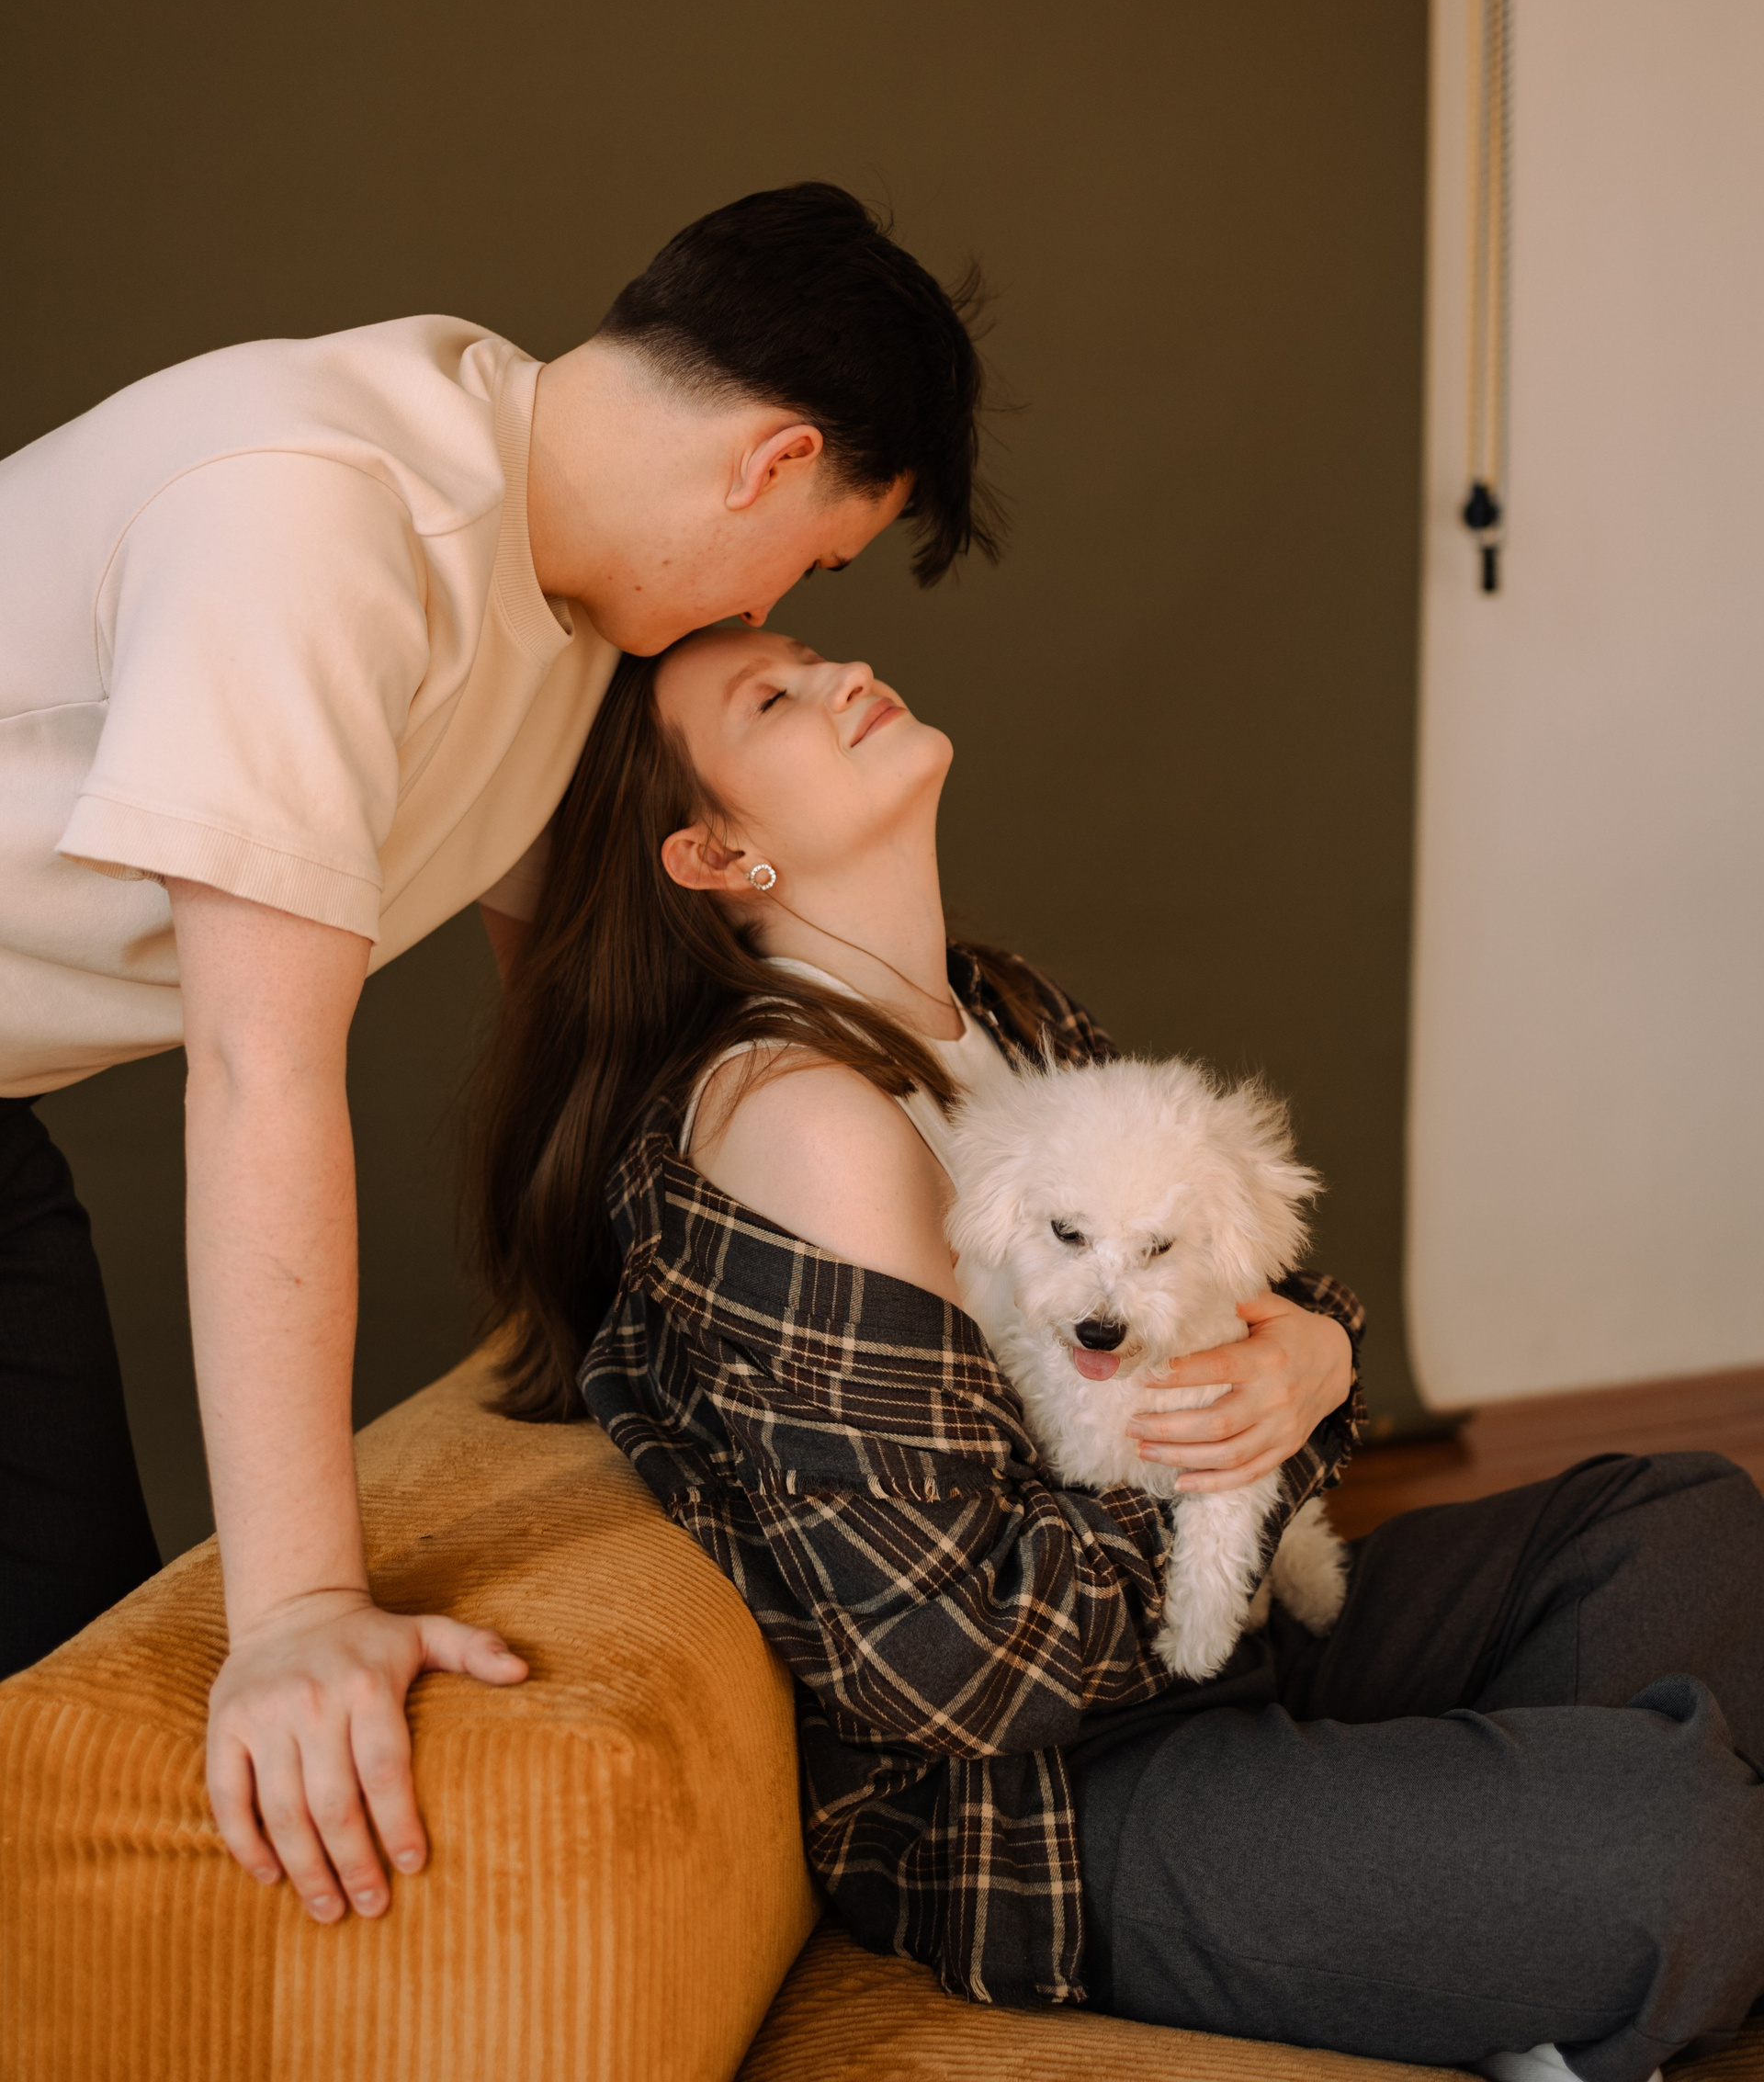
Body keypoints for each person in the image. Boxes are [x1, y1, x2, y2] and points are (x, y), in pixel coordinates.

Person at [474, 628, 1764, 2082]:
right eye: (773, 698)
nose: (843, 675)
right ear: (713, 853)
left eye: (817, 653)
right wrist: (1236, 1469)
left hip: (1225, 1653)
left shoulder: (1004, 1010)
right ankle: (1561, 1914)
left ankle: (1509, 1946)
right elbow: (945, 1665)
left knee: (1686, 1522)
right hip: (1049, 1798)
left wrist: (1317, 1358)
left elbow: (1211, 1278)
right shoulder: (798, 1119)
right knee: (1684, 1844)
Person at [0, 182, 998, 1925]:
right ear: (771, 462)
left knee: (64, 1677)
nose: (784, 605)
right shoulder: (312, 517)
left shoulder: (562, 580)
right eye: (816, 556)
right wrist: (301, 1613)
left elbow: (580, 1007)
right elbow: (259, 1071)